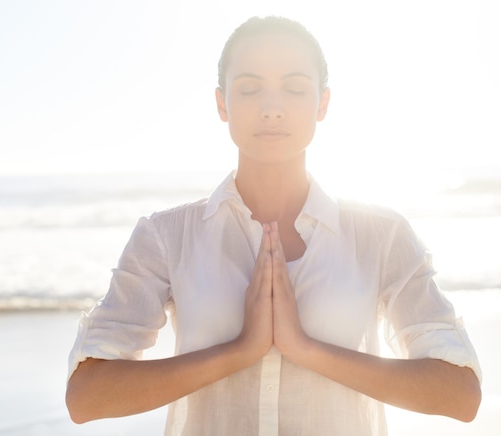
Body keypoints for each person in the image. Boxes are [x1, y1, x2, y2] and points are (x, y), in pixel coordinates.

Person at [65, 16, 482, 435]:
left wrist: (304, 348)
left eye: (295, 88)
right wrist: (240, 351)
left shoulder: (380, 235)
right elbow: (86, 396)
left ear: (322, 104)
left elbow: (460, 393)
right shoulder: (167, 236)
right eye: (249, 88)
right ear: (222, 103)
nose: (272, 107)